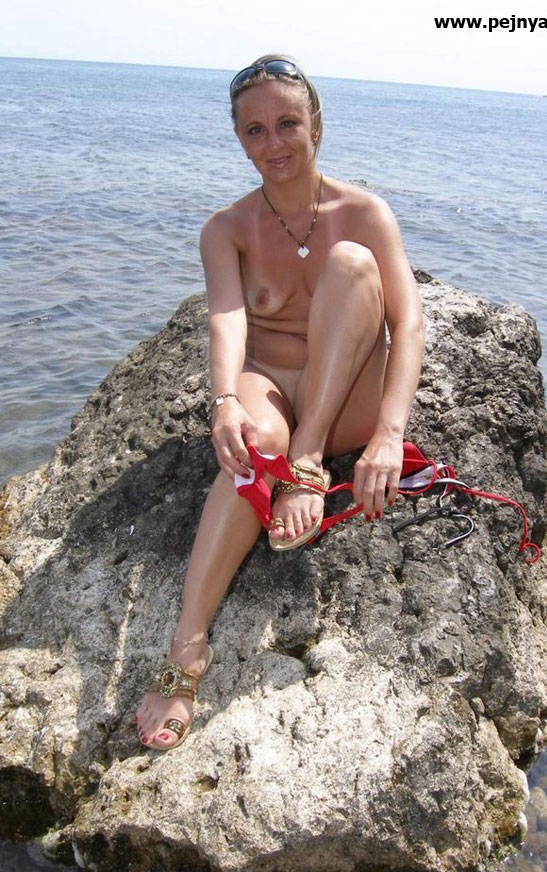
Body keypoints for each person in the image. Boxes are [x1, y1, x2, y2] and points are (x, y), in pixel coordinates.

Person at [135, 55, 424, 750]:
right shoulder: (226, 228)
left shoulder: (364, 212)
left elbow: (409, 322)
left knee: (352, 263)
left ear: (315, 123)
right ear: (240, 139)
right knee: (249, 448)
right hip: (268, 379)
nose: (274, 143)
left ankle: (308, 462)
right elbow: (227, 319)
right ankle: (187, 650)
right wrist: (224, 401)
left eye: (288, 123)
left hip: (345, 398)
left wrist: (388, 434)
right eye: (255, 130)